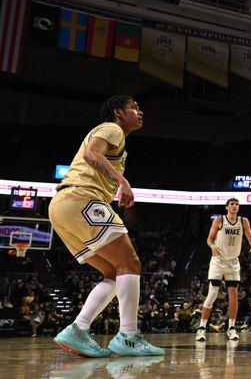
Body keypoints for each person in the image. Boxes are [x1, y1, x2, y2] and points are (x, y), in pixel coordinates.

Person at [50, 95, 163, 357]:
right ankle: (129, 336)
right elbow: (91, 154)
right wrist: (122, 181)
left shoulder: (118, 139)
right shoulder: (112, 129)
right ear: (118, 112)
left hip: (62, 207)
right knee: (130, 263)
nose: (140, 111)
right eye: (134, 107)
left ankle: (77, 329)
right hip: (81, 198)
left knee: (114, 271)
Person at [196, 198, 251, 342]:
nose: (235, 206)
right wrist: (212, 247)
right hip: (218, 261)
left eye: (237, 204)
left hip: (233, 262)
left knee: (233, 295)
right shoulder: (219, 220)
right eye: (232, 204)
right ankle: (201, 329)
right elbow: (209, 239)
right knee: (212, 294)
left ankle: (231, 328)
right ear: (226, 207)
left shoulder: (244, 221)